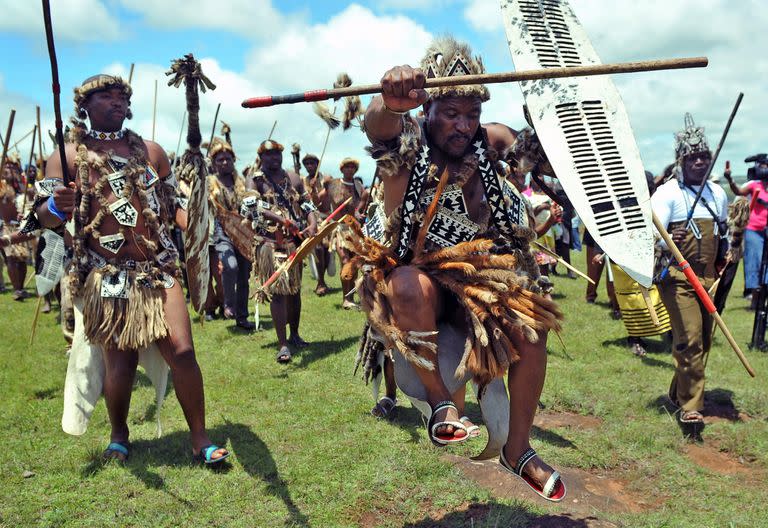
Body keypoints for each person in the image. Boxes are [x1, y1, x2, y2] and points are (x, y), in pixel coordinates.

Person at [344, 37, 565, 501]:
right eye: (451, 113)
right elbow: (377, 127)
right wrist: (389, 100)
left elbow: (538, 150)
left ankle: (518, 449)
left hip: (478, 284)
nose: (463, 125)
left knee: (532, 324)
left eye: (471, 114)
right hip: (417, 280)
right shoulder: (407, 143)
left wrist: (551, 111)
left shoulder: (490, 144)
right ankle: (443, 403)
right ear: (428, 109)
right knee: (406, 284)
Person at [33, 74, 228, 464]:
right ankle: (120, 434)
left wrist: (205, 232)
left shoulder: (151, 151)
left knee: (183, 352)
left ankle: (200, 439)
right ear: (84, 106)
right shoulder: (67, 155)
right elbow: (38, 219)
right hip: (106, 274)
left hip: (157, 266)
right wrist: (57, 205)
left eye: (121, 96)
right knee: (119, 365)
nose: (116, 102)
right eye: (105, 96)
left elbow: (172, 206)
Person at [652, 114, 728, 438]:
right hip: (678, 277)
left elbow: (723, 236)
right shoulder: (668, 194)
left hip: (709, 278)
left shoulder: (718, 194)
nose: (699, 161)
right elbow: (649, 236)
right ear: (681, 160)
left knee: (703, 341)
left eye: (704, 156)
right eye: (692, 156)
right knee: (690, 339)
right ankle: (691, 408)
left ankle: (678, 392)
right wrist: (669, 239)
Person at [244, 140, 317, 363]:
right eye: (269, 155)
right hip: (269, 243)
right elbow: (250, 207)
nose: (274, 158)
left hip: (292, 242)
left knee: (294, 291)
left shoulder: (294, 178)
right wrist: (281, 220)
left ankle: (294, 335)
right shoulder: (254, 180)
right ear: (261, 158)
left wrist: (313, 224)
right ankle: (282, 344)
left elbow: (307, 205)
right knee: (277, 292)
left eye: (277, 154)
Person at [207, 137, 255, 330]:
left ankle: (242, 318)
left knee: (244, 275)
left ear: (234, 161)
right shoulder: (209, 182)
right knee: (231, 265)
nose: (225, 162)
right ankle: (228, 302)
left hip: (243, 231)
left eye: (228, 159)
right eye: (220, 160)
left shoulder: (242, 182)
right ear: (214, 163)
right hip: (221, 230)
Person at [723, 154, 768, 306]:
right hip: (754, 229)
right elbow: (738, 191)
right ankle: (754, 299)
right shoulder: (754, 185)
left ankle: (763, 297)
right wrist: (729, 179)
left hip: (766, 230)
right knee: (754, 260)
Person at [327, 157, 368, 309]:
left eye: (352, 167)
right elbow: (330, 200)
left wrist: (359, 212)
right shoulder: (335, 184)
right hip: (341, 229)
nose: (350, 169)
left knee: (355, 263)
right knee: (345, 261)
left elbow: (362, 204)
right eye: (347, 167)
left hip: (355, 230)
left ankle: (351, 296)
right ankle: (345, 298)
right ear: (342, 169)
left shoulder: (358, 185)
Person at [302, 153, 334, 296]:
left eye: (312, 163)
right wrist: (312, 190)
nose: (309, 166)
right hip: (312, 219)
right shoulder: (303, 181)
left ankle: (323, 280)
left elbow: (323, 203)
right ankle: (320, 282)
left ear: (317, 164)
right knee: (319, 249)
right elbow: (310, 204)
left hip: (328, 217)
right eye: (307, 164)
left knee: (328, 251)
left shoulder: (326, 179)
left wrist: (316, 189)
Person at [1, 153, 30, 300]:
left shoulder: (22, 186)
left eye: (12, 167)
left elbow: (29, 200)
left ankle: (22, 287)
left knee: (22, 258)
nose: (9, 170)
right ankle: (17, 289)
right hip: (6, 227)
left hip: (21, 227)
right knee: (11, 258)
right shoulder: (2, 186)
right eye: (6, 167)